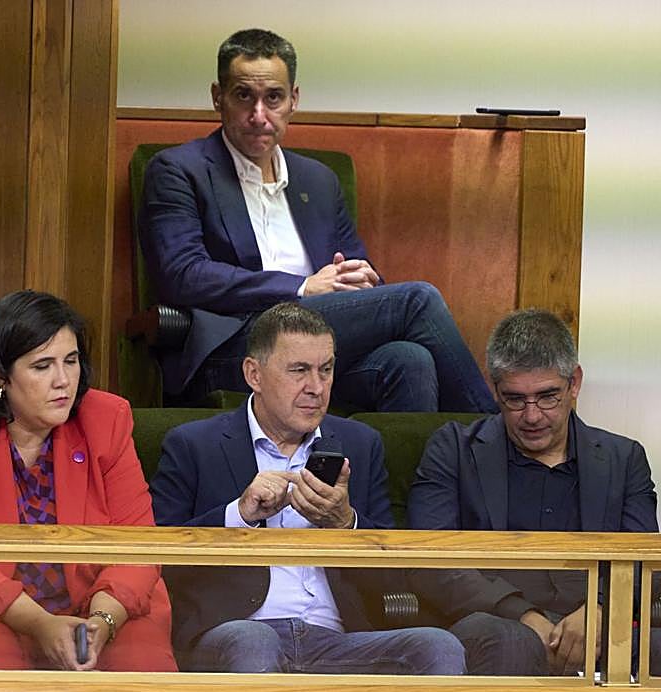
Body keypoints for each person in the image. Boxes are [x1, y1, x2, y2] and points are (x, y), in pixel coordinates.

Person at [138, 28, 494, 414]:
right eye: (244, 96)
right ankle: (495, 441)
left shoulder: (318, 180)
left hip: (321, 343)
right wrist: (302, 287)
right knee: (417, 300)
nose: (259, 115)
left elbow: (359, 266)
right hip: (237, 349)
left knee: (410, 360)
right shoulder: (178, 170)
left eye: (273, 97)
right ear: (217, 97)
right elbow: (183, 275)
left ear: (293, 100)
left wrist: (359, 279)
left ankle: (419, 476)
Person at [151, 303, 466, 674]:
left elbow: (395, 575)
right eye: (299, 371)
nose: (316, 388)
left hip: (337, 636)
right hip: (237, 631)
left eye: (326, 370)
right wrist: (240, 515)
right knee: (254, 642)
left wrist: (345, 523)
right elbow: (156, 559)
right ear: (254, 373)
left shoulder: (360, 445)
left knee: (438, 647)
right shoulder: (193, 444)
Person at [0, 291, 178, 672]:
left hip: (97, 603)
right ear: (0, 376)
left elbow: (138, 544)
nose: (63, 381)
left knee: (141, 659)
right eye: (42, 366)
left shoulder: (106, 419)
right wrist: (39, 623)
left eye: (71, 361)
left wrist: (102, 622)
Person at [407, 309, 659, 675]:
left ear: (574, 383)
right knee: (508, 640)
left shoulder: (624, 458)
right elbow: (429, 560)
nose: (532, 416)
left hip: (598, 620)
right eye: (514, 399)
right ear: (495, 390)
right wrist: (524, 615)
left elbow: (643, 562)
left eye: (547, 397)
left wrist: (600, 611)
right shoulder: (454, 450)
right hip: (494, 619)